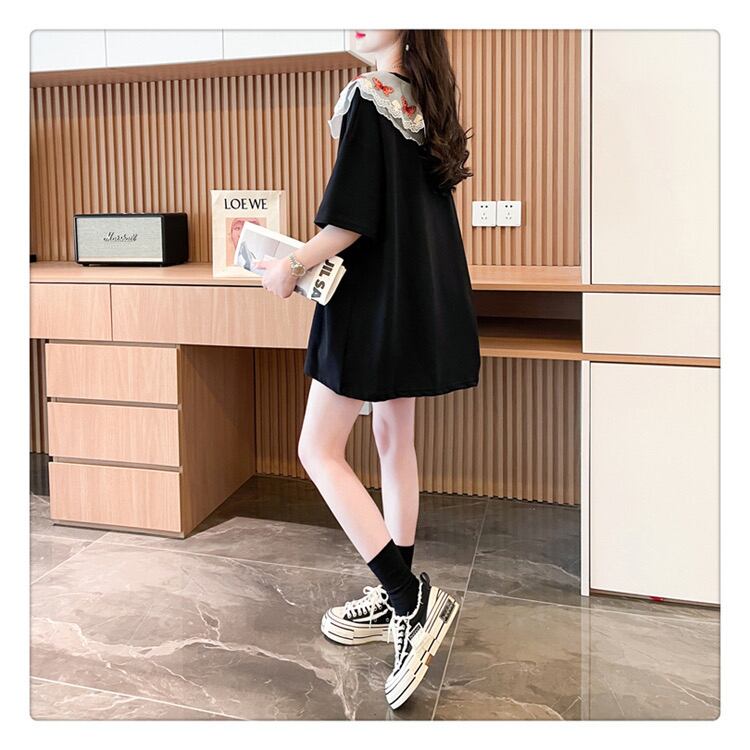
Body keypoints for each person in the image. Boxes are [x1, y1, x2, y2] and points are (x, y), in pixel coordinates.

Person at [253, 29, 479, 710]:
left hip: (369, 305)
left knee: (316, 450)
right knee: (392, 441)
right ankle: (393, 591)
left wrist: (290, 266)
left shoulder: (367, 96)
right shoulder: (423, 104)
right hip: (411, 302)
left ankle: (410, 601)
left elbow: (351, 218)